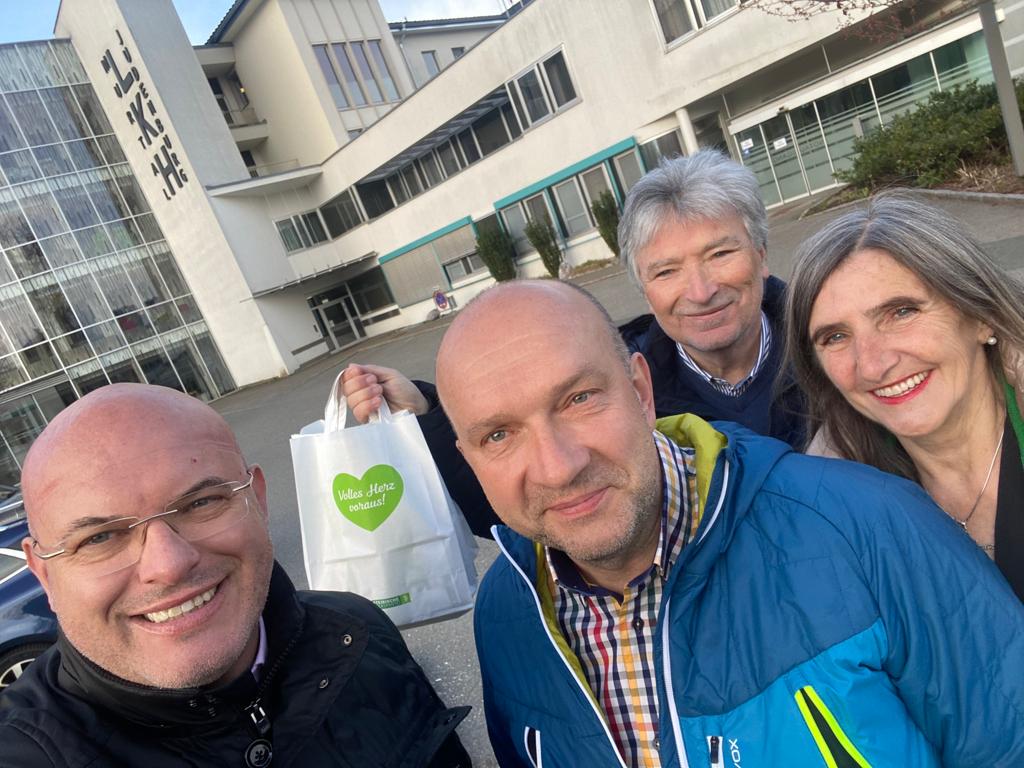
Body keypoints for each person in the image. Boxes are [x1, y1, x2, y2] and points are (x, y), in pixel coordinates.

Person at [436, 278, 1024, 767]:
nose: (558, 467)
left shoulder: (866, 525)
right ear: (469, 458)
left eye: (579, 399)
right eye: (499, 435)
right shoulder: (507, 610)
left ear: (641, 390)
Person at [0, 384, 470, 767]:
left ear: (257, 500)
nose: (168, 564)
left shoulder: (360, 631)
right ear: (44, 574)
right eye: (100, 538)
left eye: (201, 503)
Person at [343, 150, 804, 536]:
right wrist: (426, 416)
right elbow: (533, 508)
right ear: (645, 290)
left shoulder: (828, 347)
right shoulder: (608, 378)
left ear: (760, 256)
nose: (700, 291)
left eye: (720, 254)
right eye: (666, 271)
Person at [785, 193, 1024, 603]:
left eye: (901, 312)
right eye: (836, 336)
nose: (872, 365)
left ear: (981, 316)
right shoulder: (836, 511)